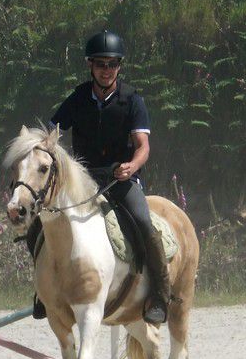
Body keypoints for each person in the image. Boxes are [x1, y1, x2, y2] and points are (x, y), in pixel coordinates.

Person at [33, 30, 170, 325]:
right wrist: (41, 151)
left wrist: (131, 167)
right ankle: (43, 291)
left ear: (119, 66)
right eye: (100, 64)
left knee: (144, 222)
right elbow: (51, 132)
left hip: (120, 179)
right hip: (82, 180)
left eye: (112, 64)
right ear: (90, 65)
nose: (106, 70)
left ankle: (160, 295)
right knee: (40, 219)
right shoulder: (78, 98)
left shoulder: (132, 100)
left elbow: (143, 147)